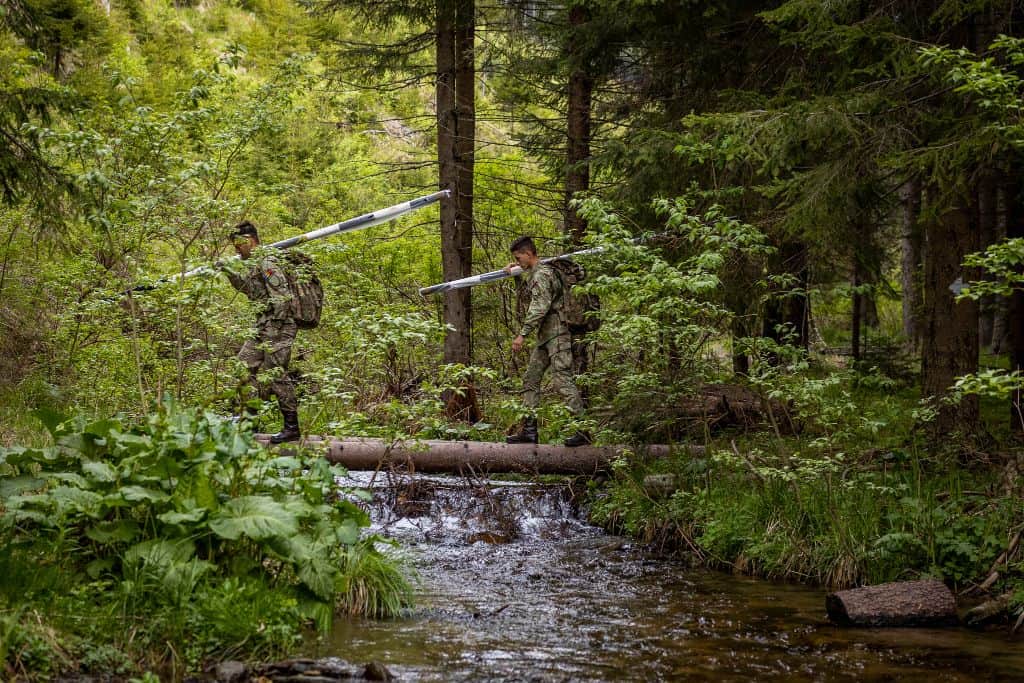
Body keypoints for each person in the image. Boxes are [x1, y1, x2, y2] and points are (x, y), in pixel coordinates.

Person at [505, 236, 590, 447]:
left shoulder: (542, 273)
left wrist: (522, 334)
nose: (518, 261)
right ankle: (529, 430)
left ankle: (583, 430)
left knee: (562, 380)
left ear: (528, 253)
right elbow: (528, 299)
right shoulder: (535, 274)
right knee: (530, 379)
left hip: (558, 335)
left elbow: (539, 308)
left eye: (519, 257)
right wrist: (516, 277)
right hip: (545, 338)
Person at [221, 221, 301, 444]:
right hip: (262, 326)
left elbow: (282, 297)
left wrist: (273, 332)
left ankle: (292, 427)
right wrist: (229, 272)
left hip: (280, 328)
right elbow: (250, 291)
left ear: (250, 241)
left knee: (275, 375)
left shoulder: (268, 261)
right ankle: (248, 421)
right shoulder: (254, 263)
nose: (236, 249)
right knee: (243, 366)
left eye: (239, 244)